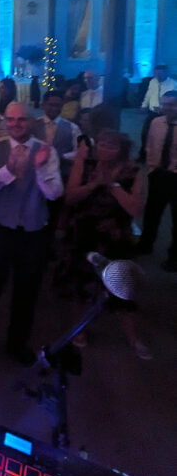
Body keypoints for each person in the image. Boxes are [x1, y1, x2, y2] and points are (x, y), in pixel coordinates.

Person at [0, 102, 63, 365]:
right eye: (10, 120)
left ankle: (17, 343)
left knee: (27, 291)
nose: (14, 125)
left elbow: (55, 193)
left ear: (32, 121)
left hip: (33, 232)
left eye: (20, 120)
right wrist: (8, 172)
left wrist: (39, 168)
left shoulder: (47, 151)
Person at [62, 131, 150, 358]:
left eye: (112, 145)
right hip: (85, 233)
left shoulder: (134, 171)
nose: (105, 148)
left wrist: (113, 184)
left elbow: (134, 208)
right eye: (102, 143)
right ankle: (80, 331)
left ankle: (133, 337)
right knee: (82, 285)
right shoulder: (86, 164)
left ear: (122, 148)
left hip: (116, 237)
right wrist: (93, 185)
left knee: (123, 287)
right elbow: (70, 196)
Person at [139, 90, 177, 270]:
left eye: (172, 104)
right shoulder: (155, 122)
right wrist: (151, 168)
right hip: (158, 174)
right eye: (165, 104)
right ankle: (145, 244)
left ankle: (174, 256)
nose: (167, 108)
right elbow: (150, 145)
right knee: (152, 213)